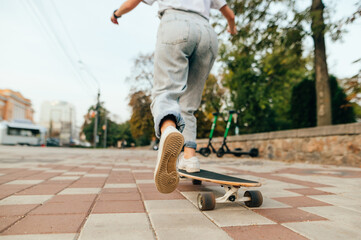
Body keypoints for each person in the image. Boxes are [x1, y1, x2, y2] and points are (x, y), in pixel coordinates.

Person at [111, 0, 236, 193]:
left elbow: (132, 2)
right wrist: (232, 28)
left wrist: (116, 14)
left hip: (175, 25)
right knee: (190, 103)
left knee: (166, 91)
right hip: (207, 34)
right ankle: (190, 157)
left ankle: (169, 129)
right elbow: (230, 14)